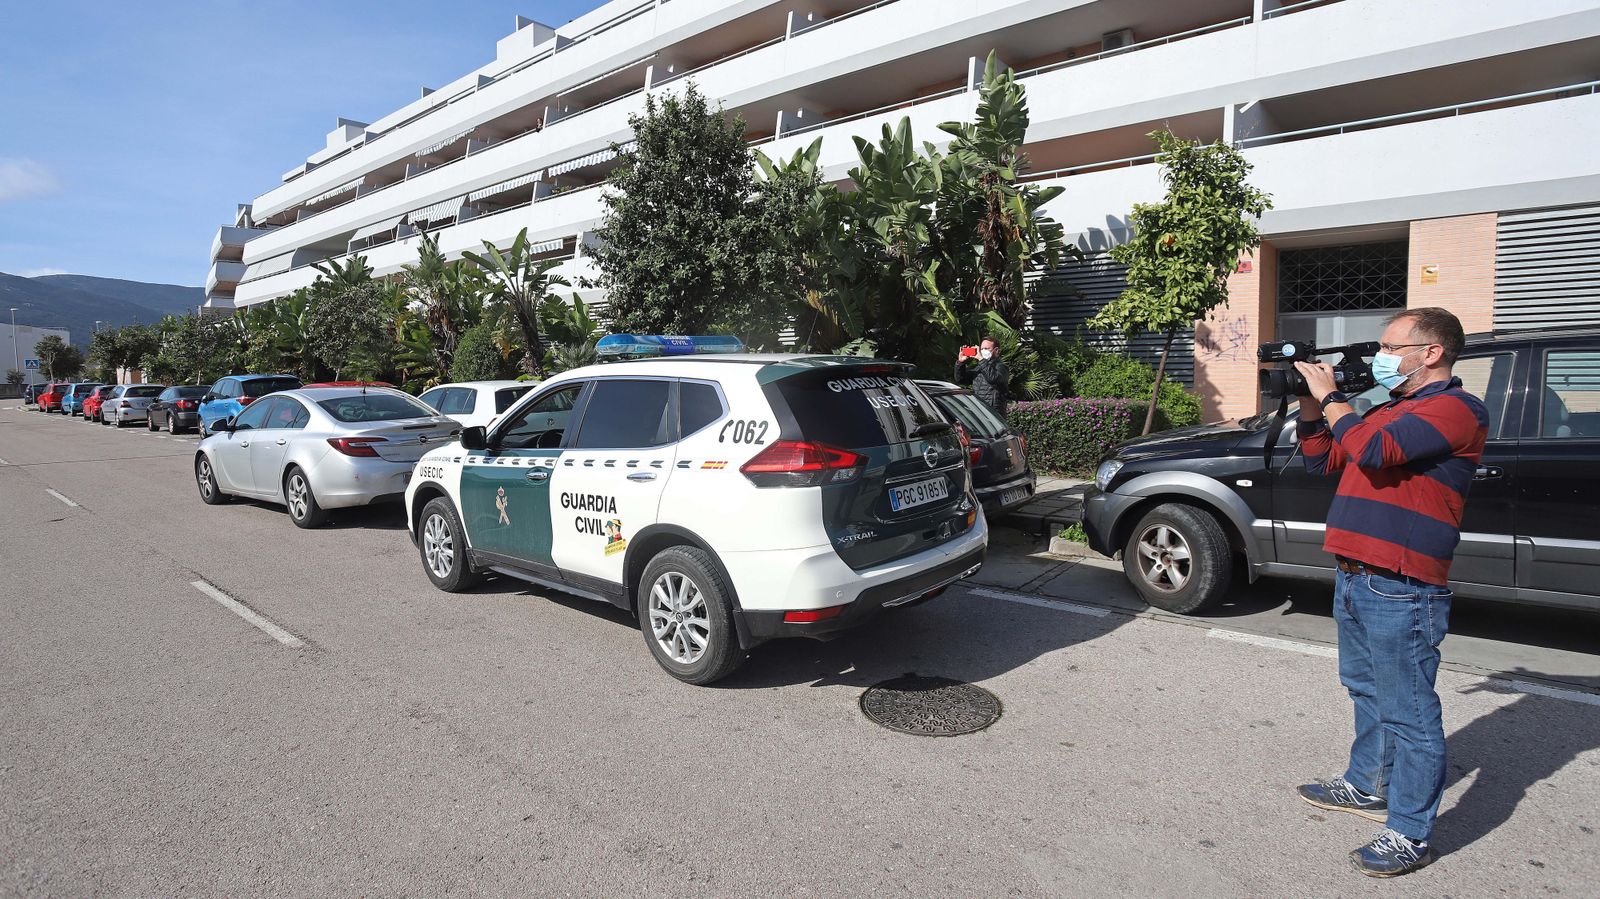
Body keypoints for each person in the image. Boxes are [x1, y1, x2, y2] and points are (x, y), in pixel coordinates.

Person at [1291, 307, 1489, 878]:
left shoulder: (1456, 410)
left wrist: (1333, 398)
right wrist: (1309, 399)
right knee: (1364, 689)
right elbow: (1320, 457)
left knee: (1409, 713)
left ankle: (1408, 832)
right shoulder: (1391, 407)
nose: (1379, 356)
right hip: (1355, 571)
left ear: (1430, 352)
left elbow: (1375, 452)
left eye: (1389, 345)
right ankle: (1365, 784)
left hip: (1402, 582)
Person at [954, 337, 1009, 416]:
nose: (983, 351)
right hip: (979, 409)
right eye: (982, 349)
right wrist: (960, 363)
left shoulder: (1001, 367)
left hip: (994, 412)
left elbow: (992, 378)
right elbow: (960, 380)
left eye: (986, 348)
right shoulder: (978, 367)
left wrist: (981, 359)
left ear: (996, 350)